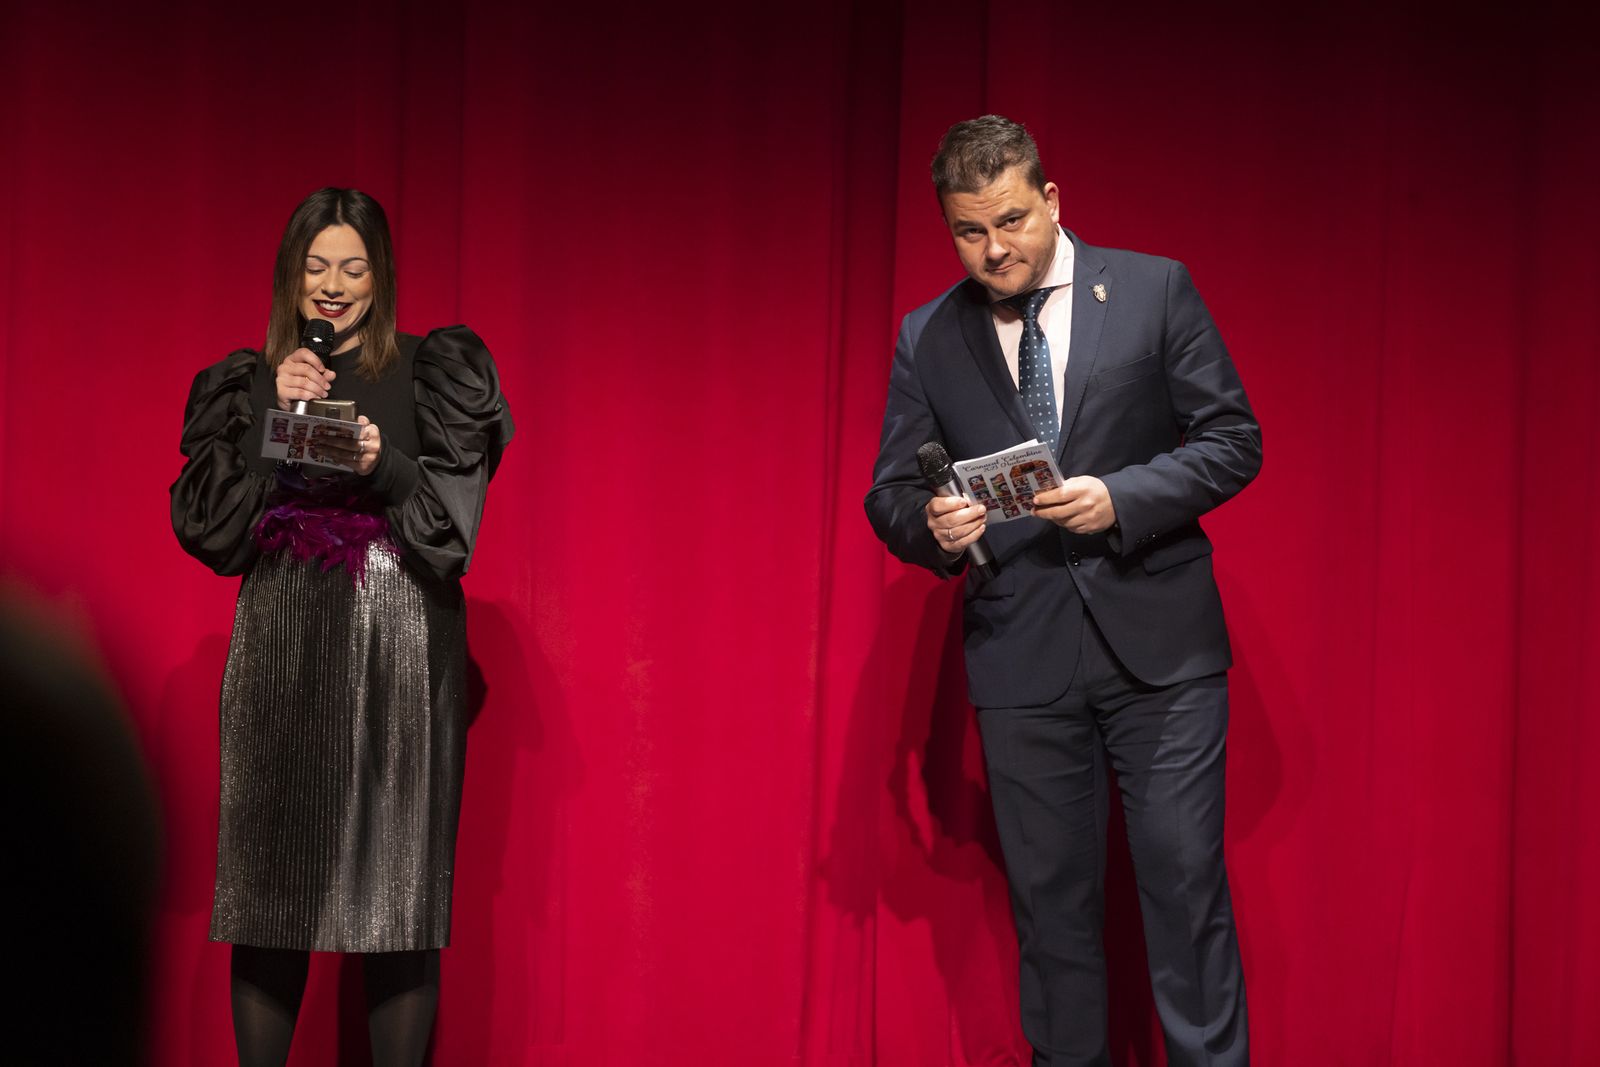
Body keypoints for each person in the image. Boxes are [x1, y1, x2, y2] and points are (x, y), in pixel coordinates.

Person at [865, 116, 1260, 1066]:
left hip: (1160, 656)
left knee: (1183, 894)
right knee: (1054, 919)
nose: (994, 249)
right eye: (969, 232)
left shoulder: (1155, 288)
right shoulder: (929, 334)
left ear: (1051, 200)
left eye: (1009, 221)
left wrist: (1120, 497)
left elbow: (1233, 441)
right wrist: (935, 527)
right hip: (1021, 658)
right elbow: (889, 495)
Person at [171, 187, 513, 1067]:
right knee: (269, 886)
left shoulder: (431, 368)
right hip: (283, 638)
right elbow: (209, 529)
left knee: (397, 896)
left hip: (399, 639)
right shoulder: (252, 379)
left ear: (381, 275)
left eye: (353, 268)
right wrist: (263, 416)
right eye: (316, 266)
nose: (333, 285)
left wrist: (383, 464)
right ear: (291, 275)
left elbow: (451, 532)